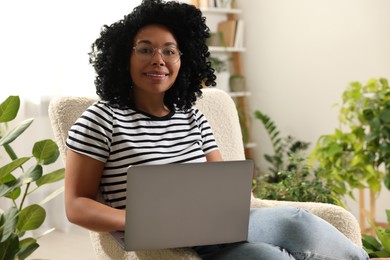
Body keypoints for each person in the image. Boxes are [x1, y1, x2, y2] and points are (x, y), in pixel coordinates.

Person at [64, 0, 369, 259]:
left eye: (170, 51)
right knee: (270, 256)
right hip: (162, 235)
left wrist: (222, 211)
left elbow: (220, 187)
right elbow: (77, 205)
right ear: (123, 57)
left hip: (210, 225)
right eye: (145, 50)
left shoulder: (192, 117)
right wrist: (138, 220)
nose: (159, 60)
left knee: (298, 221)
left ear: (184, 60)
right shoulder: (100, 120)